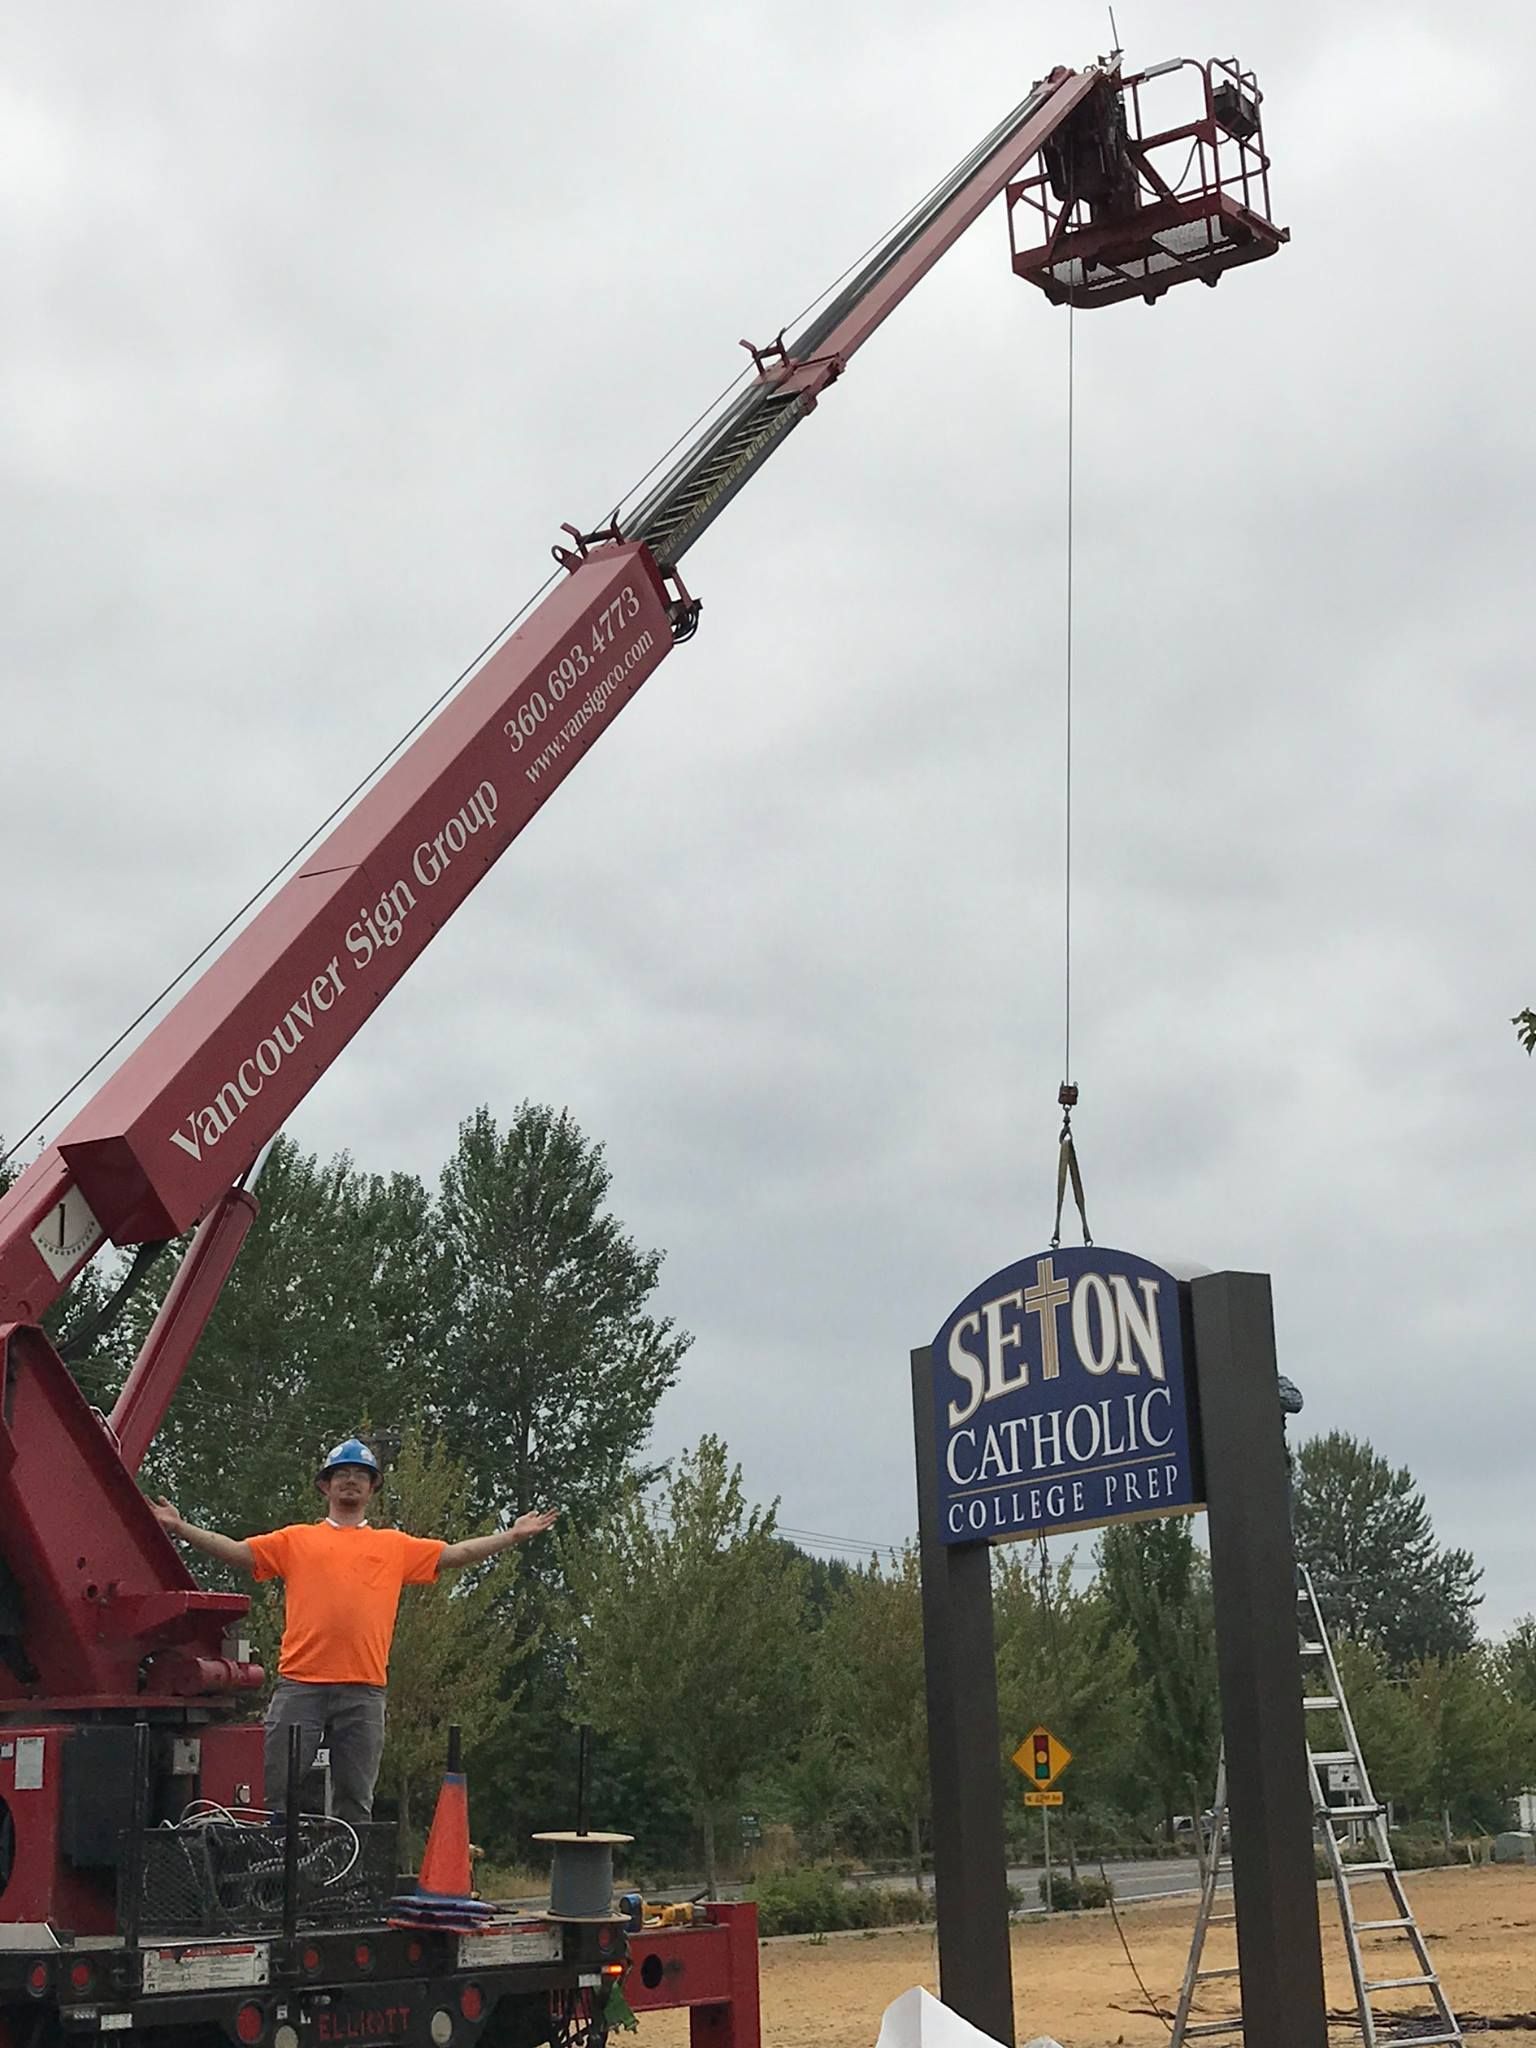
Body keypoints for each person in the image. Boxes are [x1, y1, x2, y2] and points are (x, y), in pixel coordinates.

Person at [151, 1436, 559, 1824]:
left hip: (364, 1690)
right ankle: (273, 1881)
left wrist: (511, 1535)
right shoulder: (297, 1539)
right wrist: (182, 1528)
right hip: (301, 1686)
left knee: (356, 1800)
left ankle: (352, 1885)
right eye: (342, 1473)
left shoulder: (393, 1545)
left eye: (360, 1475)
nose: (350, 1481)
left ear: (371, 1489)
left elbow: (455, 1554)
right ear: (325, 1486)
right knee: (276, 1793)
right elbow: (240, 1552)